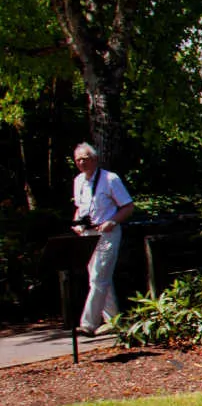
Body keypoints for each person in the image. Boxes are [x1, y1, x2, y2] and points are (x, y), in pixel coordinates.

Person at [71, 143, 134, 336]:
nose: (82, 162)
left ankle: (88, 324)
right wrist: (77, 223)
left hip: (107, 233)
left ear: (95, 159)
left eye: (85, 158)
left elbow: (128, 207)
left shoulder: (110, 179)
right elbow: (80, 210)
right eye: (78, 159)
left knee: (99, 278)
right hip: (87, 235)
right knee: (99, 279)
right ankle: (114, 322)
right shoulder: (78, 181)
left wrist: (112, 222)